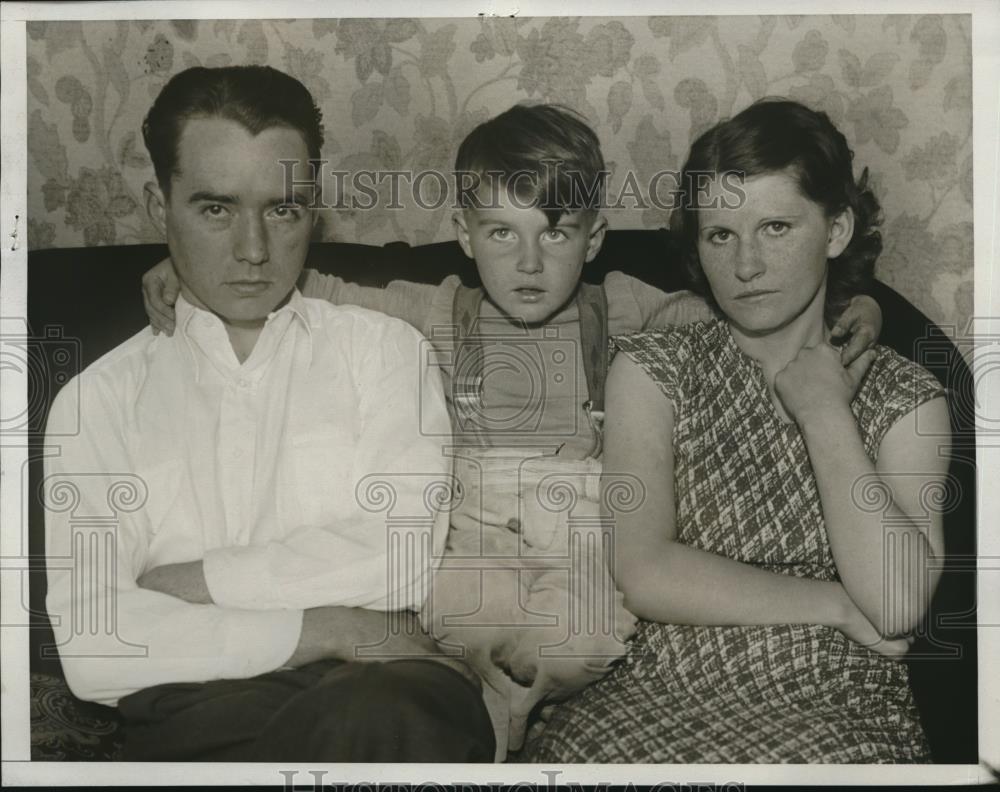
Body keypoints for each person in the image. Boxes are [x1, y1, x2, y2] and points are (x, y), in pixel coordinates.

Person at [140, 102, 883, 757]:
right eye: (501, 231)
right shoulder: (438, 313)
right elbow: (312, 292)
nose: (528, 262)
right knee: (449, 601)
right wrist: (185, 275)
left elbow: (723, 315)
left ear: (593, 239)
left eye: (555, 234)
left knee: (591, 624)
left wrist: (854, 303)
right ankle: (477, 687)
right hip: (477, 542)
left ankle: (516, 696)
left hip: (581, 547)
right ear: (464, 234)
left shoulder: (620, 308)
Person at [43, 65, 495, 762]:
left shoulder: (384, 352)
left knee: (380, 717)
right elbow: (96, 641)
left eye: (282, 210)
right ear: (159, 208)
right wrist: (329, 625)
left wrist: (188, 586)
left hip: (390, 690)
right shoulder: (98, 401)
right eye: (215, 209)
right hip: (204, 706)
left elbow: (399, 558)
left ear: (312, 208)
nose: (254, 251)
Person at [525, 99, 951, 763]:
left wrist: (824, 411)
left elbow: (896, 603)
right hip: (653, 692)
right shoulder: (651, 369)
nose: (745, 264)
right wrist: (838, 605)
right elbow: (643, 570)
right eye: (720, 235)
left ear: (836, 230)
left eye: (776, 227)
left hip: (834, 702)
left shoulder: (908, 397)